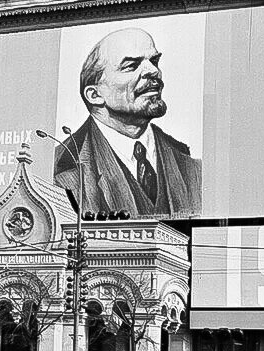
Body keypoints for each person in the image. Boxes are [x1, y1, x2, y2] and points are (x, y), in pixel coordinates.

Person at [54, 28, 202, 217]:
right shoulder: (61, 166)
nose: (153, 71)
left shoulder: (190, 164)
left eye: (154, 61)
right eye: (131, 66)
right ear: (95, 94)